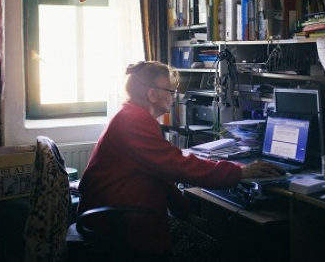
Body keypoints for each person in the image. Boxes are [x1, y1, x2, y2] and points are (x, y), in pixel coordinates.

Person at [77, 61, 284, 261]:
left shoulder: (132, 115)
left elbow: (161, 172)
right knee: (213, 247)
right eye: (171, 91)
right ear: (152, 94)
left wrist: (184, 212)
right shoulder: (134, 121)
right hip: (117, 224)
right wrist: (240, 172)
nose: (175, 97)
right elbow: (178, 166)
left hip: (118, 216)